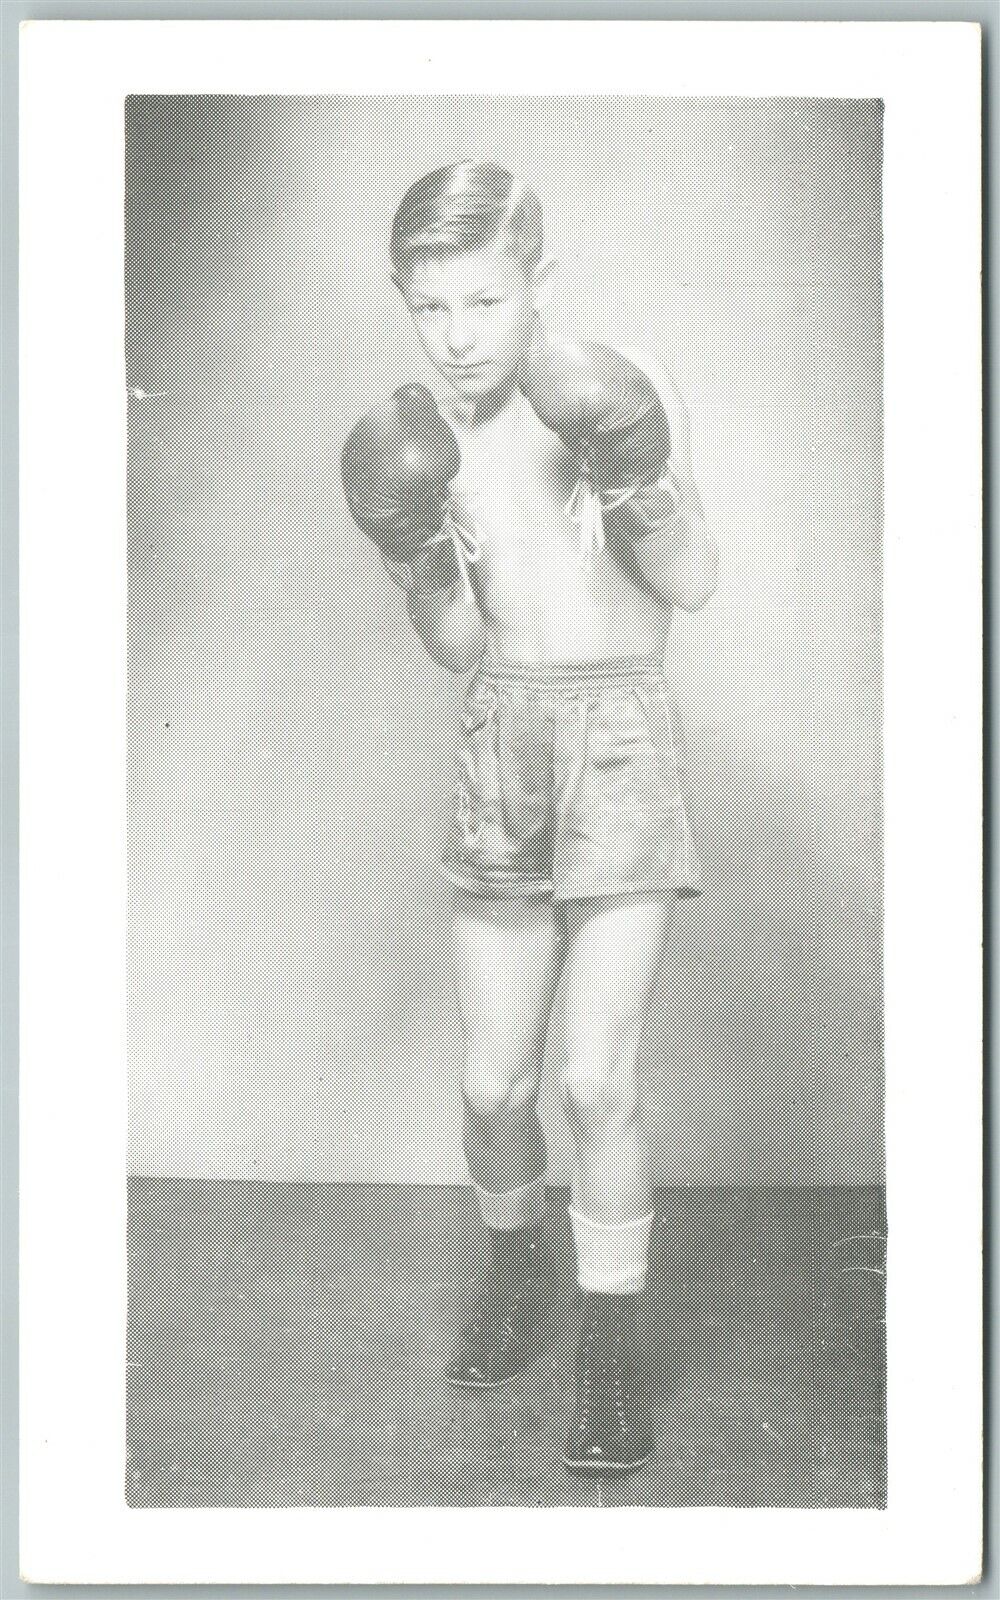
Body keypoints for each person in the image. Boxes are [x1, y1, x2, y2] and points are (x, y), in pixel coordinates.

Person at [341, 161, 718, 1475]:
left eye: (483, 302)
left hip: (618, 736)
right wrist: (417, 553)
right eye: (430, 309)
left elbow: (697, 578)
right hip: (504, 738)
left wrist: (637, 470)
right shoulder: (428, 443)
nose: (457, 337)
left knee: (593, 1079)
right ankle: (519, 1273)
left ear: (538, 283)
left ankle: (612, 1357)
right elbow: (455, 643)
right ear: (406, 301)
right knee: (494, 1083)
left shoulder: (627, 382)